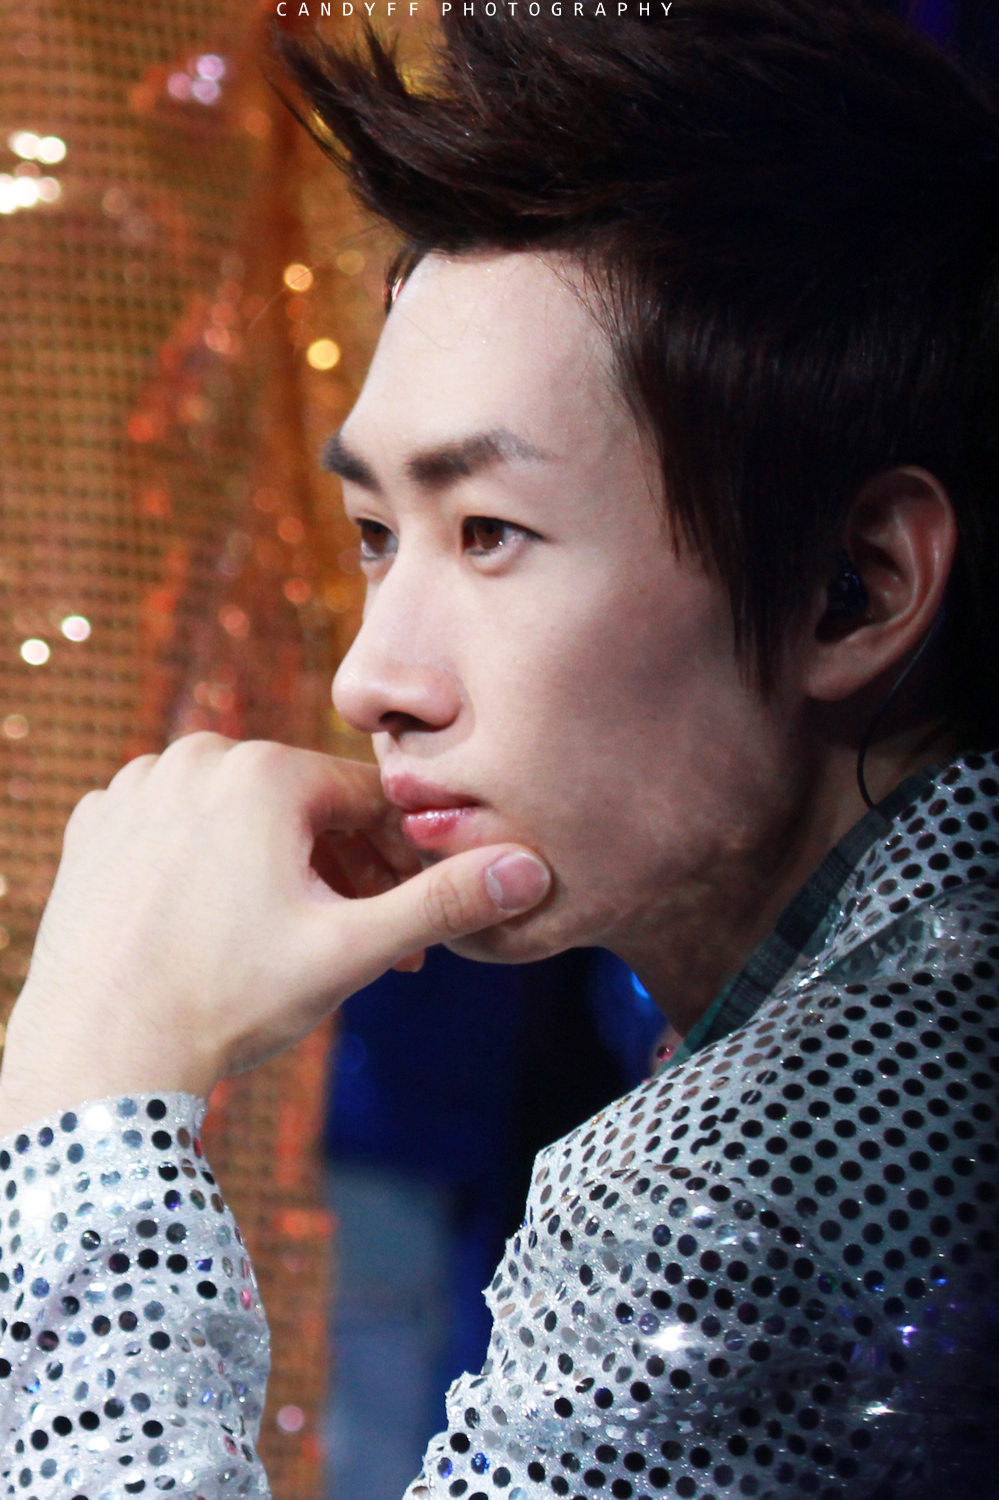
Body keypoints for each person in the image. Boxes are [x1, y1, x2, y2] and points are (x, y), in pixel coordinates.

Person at [1, 1, 998, 1496]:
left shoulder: (740, 1196)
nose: (369, 681)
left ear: (850, 585)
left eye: (489, 533)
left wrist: (89, 1099)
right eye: (373, 533)